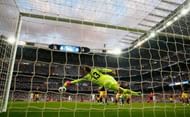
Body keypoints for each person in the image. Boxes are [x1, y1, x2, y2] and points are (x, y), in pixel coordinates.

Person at [58, 66, 140, 96]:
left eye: (82, 71)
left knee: (122, 91)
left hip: (106, 83)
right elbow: (103, 69)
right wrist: (111, 71)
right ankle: (136, 93)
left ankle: (135, 93)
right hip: (109, 78)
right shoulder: (95, 70)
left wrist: (70, 83)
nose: (82, 72)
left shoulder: (86, 77)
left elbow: (78, 80)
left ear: (85, 71)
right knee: (121, 90)